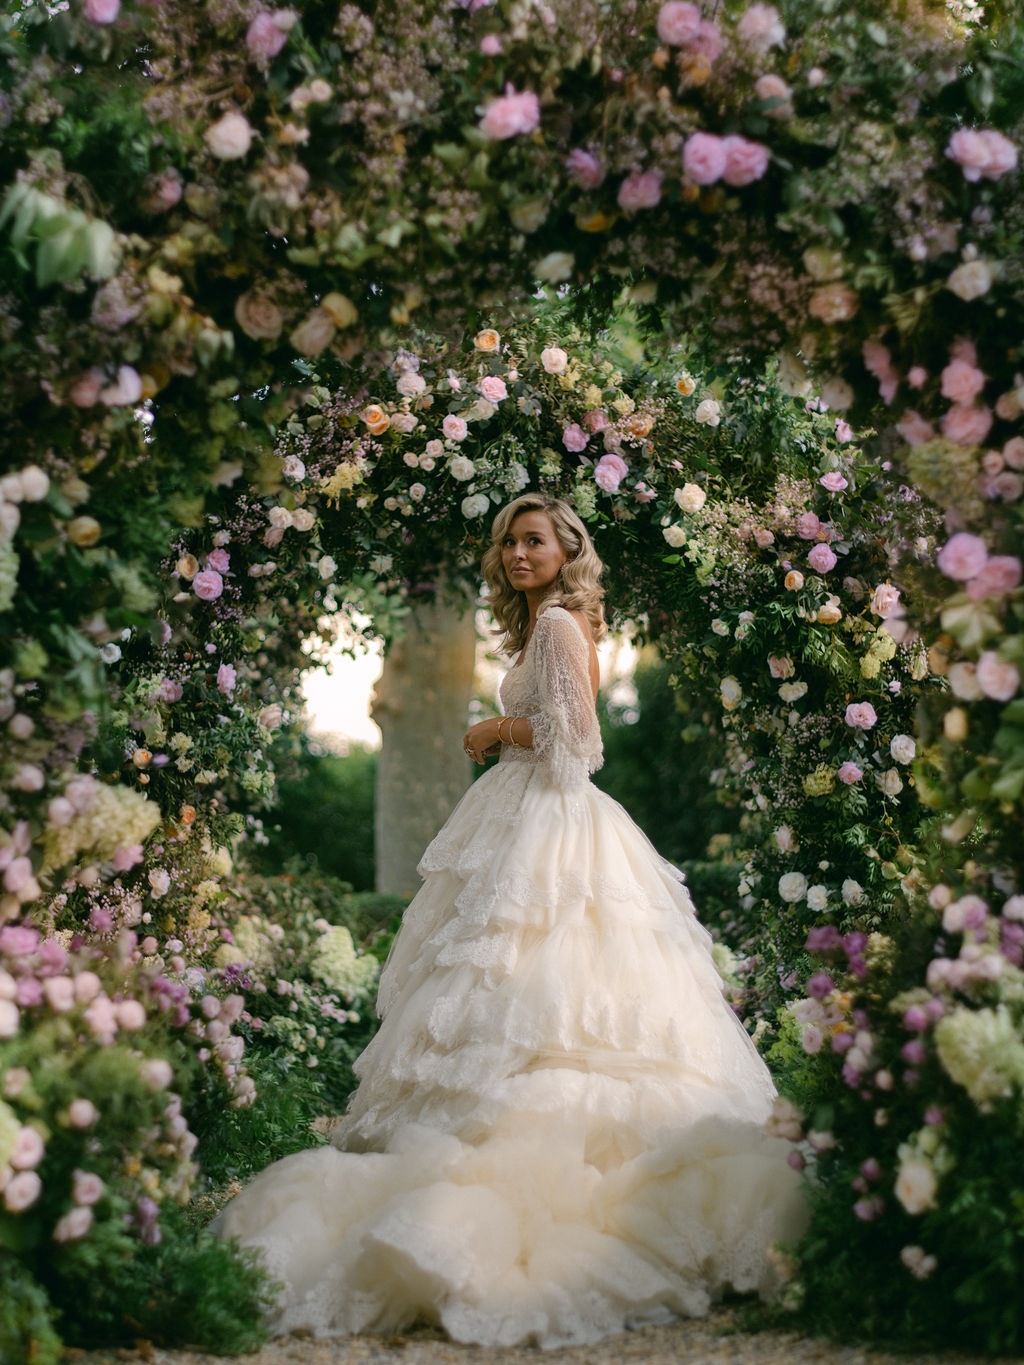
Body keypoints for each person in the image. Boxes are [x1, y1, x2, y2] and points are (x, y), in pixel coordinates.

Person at [214, 493, 806, 1347]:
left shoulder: (561, 625)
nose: (518, 552)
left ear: (567, 550)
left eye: (534, 540)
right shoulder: (542, 626)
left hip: (552, 820)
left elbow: (577, 743)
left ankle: (557, 1178)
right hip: (523, 809)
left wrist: (495, 727)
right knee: (487, 984)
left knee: (547, 986)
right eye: (509, 541)